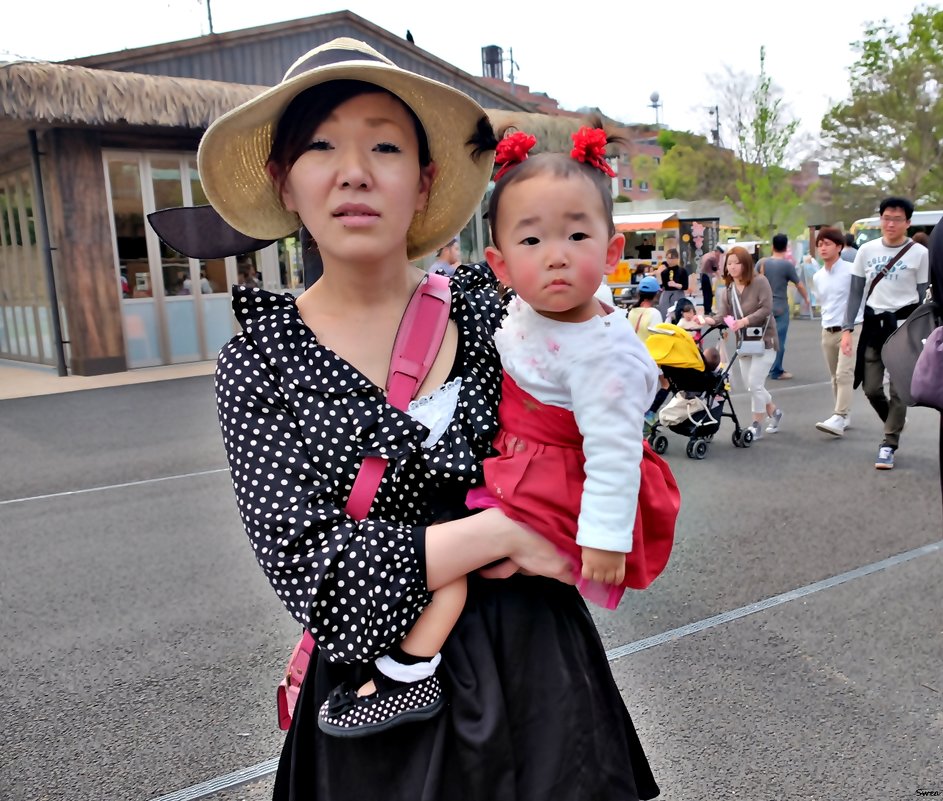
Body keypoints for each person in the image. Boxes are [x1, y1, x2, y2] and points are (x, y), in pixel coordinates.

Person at [197, 38, 659, 799]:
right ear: (284, 181)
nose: (354, 171)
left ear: (424, 180)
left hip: (541, 681)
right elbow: (321, 575)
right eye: (320, 145)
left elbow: (610, 448)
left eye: (384, 143)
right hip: (382, 711)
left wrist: (574, 532)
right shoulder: (260, 362)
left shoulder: (493, 311)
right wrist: (511, 529)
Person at [841, 196, 930, 470]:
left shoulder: (919, 253)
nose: (890, 224)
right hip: (874, 325)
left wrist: (923, 332)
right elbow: (856, 293)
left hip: (904, 326)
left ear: (908, 222)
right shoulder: (866, 250)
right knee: (870, 388)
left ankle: (888, 443)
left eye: (897, 219)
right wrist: (847, 329)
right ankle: (895, 420)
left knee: (899, 390)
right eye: (886, 218)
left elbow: (922, 296)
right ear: (880, 219)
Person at [706, 246, 783, 440]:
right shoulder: (728, 290)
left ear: (746, 264)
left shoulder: (760, 282)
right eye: (729, 263)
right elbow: (722, 316)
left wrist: (744, 321)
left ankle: (756, 423)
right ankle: (774, 411)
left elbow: (766, 308)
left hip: (765, 341)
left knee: (755, 384)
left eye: (736, 263)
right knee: (752, 386)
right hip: (745, 344)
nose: (731, 267)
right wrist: (709, 320)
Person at [811, 227, 862, 437]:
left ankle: (839, 416)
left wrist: (850, 326)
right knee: (834, 376)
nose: (823, 248)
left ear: (839, 247)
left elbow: (861, 297)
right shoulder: (818, 276)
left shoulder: (852, 271)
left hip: (851, 327)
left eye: (827, 244)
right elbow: (823, 303)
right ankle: (844, 414)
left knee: (844, 373)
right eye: (820, 244)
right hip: (827, 328)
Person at [758, 233, 809, 380]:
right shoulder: (787, 265)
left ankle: (762, 367)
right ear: (786, 248)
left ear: (772, 246)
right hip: (780, 307)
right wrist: (806, 298)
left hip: (763, 307)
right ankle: (776, 371)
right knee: (778, 340)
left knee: (763, 339)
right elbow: (799, 284)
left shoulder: (762, 263)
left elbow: (752, 281)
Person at [628, 275, 663, 341]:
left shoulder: (632, 311)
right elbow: (658, 338)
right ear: (656, 294)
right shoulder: (654, 313)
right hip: (648, 350)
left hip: (633, 350)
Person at [658, 248, 688, 318]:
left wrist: (676, 285)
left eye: (671, 258)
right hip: (666, 294)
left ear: (676, 258)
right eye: (668, 258)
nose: (669, 260)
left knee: (678, 314)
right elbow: (662, 285)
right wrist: (658, 275)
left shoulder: (682, 271)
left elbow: (685, 286)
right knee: (665, 314)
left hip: (678, 294)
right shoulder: (664, 272)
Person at [698, 251, 719, 315]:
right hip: (707, 276)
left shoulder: (706, 255)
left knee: (705, 295)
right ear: (718, 252)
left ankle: (706, 310)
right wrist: (719, 276)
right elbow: (715, 268)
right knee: (709, 295)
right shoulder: (713, 257)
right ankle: (708, 311)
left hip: (702, 276)